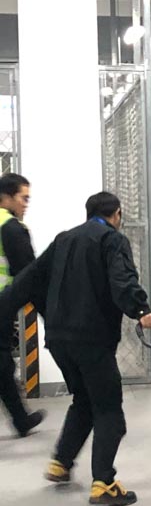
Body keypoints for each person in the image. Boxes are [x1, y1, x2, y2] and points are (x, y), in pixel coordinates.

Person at [0, 192, 151, 506]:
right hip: (92, 340)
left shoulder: (64, 239)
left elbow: (27, 279)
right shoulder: (112, 240)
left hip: (59, 340)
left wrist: (3, 308)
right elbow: (122, 279)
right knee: (110, 410)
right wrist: (141, 310)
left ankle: (60, 462)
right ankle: (104, 483)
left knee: (84, 400)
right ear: (117, 214)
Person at [0, 173, 44, 437]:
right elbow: (29, 274)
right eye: (23, 198)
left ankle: (21, 419)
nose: (26, 204)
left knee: (3, 366)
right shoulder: (11, 228)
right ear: (7, 197)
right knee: (2, 364)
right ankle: (20, 419)